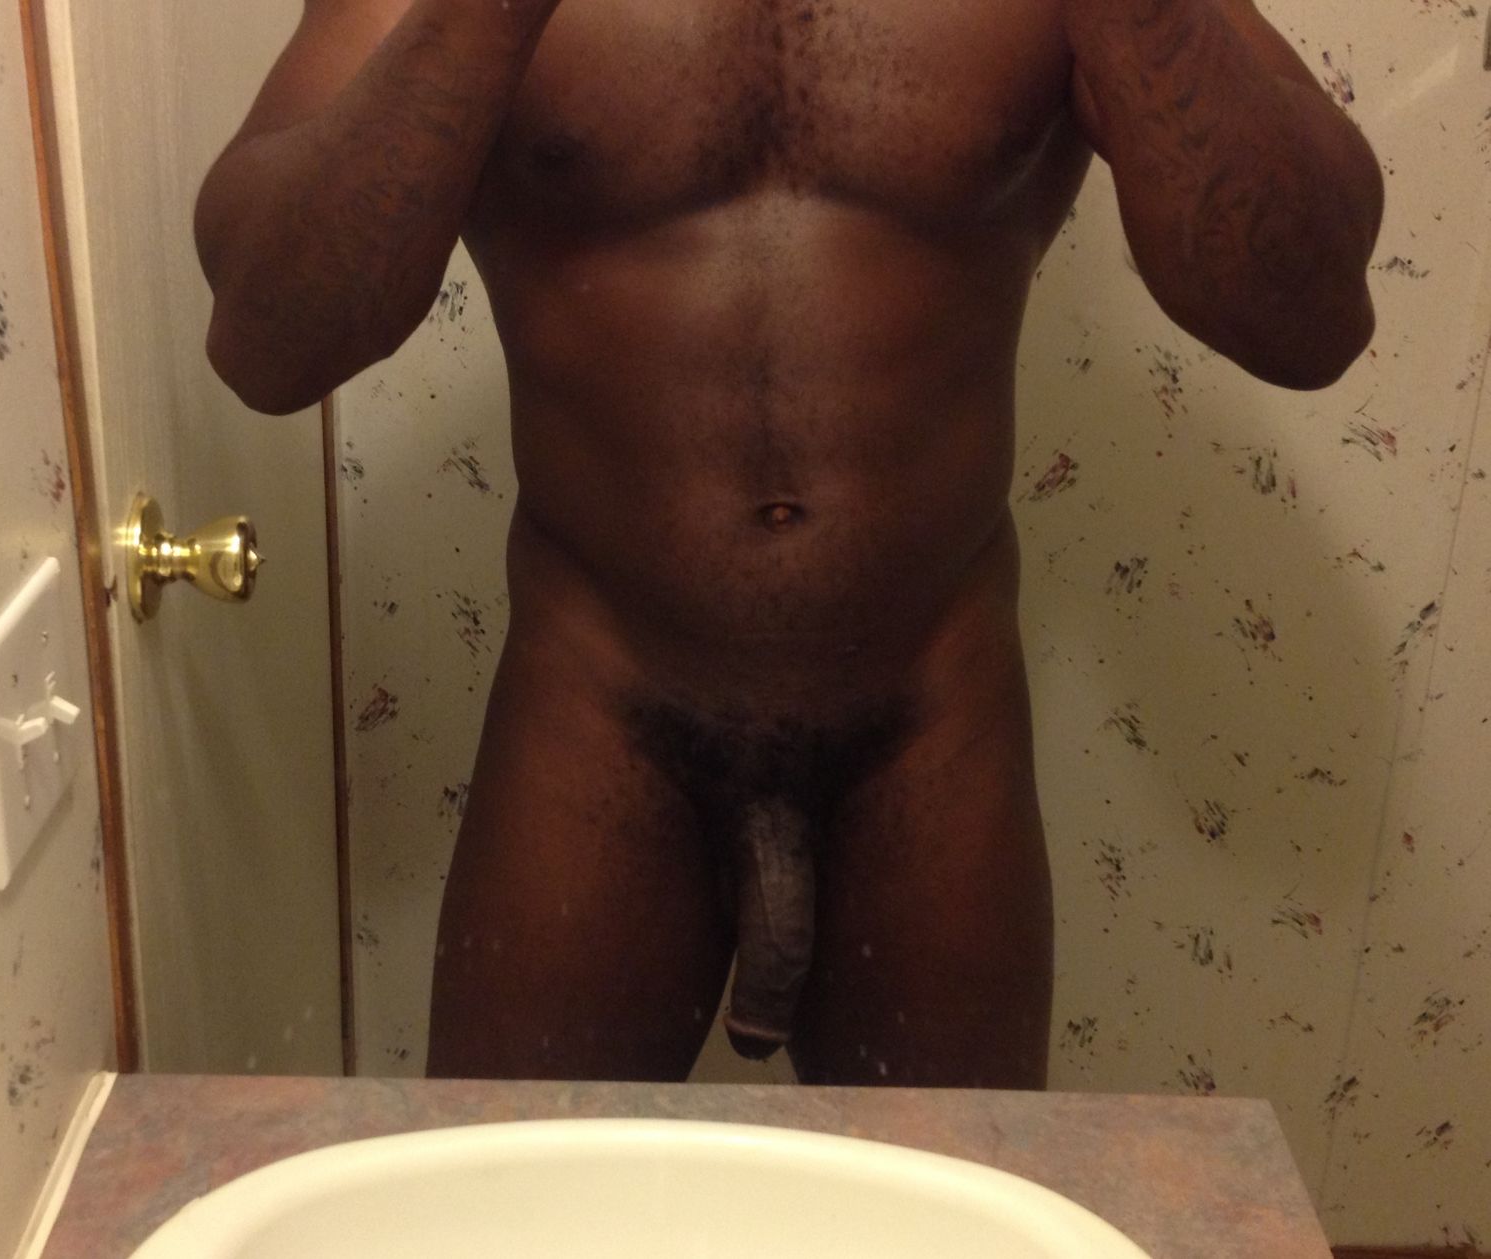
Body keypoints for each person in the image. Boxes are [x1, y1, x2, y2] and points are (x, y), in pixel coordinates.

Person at [195, 0, 1383, 1086]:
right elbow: (267, 338)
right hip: (600, 706)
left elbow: (1307, 314)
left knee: (946, 1211)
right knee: (523, 1204)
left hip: (928, 720)